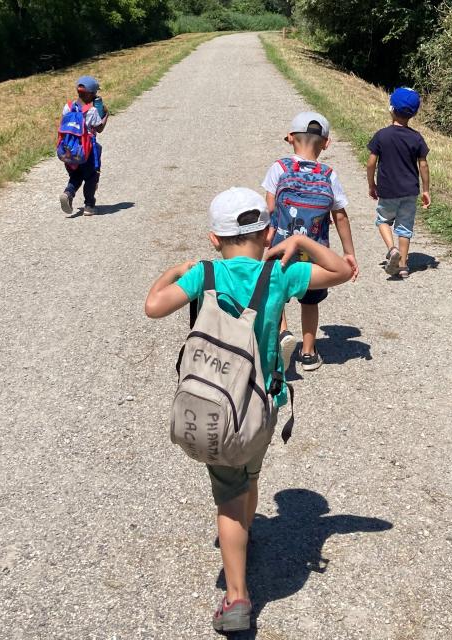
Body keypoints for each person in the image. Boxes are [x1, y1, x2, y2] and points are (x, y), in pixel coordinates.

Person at [144, 187, 353, 633]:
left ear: (214, 239)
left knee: (228, 496)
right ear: (268, 232)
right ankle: (246, 526)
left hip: (215, 403)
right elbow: (342, 270)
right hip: (263, 405)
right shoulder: (279, 274)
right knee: (249, 476)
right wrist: (301, 242)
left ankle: (237, 596)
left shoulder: (204, 273)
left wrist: (175, 270)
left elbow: (153, 306)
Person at [262, 112, 359, 372]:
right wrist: (348, 253)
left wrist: (266, 236)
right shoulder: (328, 174)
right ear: (326, 143)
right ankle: (307, 352)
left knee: (276, 295)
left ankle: (282, 334)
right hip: (315, 254)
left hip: (281, 249)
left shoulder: (279, 168)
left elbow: (270, 207)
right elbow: (340, 215)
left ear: (290, 139)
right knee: (310, 302)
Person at [366, 87, 431, 278]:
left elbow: (371, 163)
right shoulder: (416, 138)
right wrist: (426, 190)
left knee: (383, 220)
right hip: (410, 191)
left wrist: (371, 184)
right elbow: (424, 166)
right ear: (414, 113)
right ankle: (403, 267)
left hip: (388, 190)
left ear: (391, 109)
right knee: (404, 228)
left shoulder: (382, 135)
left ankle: (392, 250)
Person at [59, 75, 108, 216]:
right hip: (87, 151)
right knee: (91, 177)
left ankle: (68, 194)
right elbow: (99, 128)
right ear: (91, 94)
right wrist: (106, 115)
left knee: (76, 176)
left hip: (69, 150)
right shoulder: (92, 111)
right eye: (95, 93)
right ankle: (89, 205)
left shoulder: (67, 107)